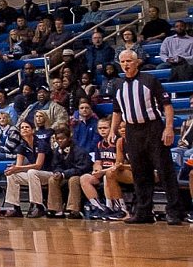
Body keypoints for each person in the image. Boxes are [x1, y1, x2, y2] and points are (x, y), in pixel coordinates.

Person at [109, 49, 184, 224]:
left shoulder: (150, 80)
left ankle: (174, 211)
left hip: (153, 128)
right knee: (140, 173)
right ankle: (144, 212)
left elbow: (167, 105)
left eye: (129, 61)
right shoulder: (118, 85)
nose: (126, 64)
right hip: (132, 131)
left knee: (165, 171)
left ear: (137, 62)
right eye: (123, 62)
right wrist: (113, 130)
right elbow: (116, 111)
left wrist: (169, 128)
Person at [0, 121, 52, 218]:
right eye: (22, 127)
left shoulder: (41, 144)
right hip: (34, 176)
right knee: (12, 175)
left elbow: (38, 165)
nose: (24, 129)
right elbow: (18, 166)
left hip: (49, 174)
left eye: (27, 127)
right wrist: (12, 169)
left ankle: (38, 206)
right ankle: (16, 208)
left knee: (32, 172)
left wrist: (18, 168)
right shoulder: (22, 146)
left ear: (32, 130)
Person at [79, 118, 126, 220]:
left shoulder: (118, 142)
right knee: (84, 178)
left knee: (107, 176)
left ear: (112, 128)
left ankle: (113, 208)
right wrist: (97, 169)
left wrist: (103, 171)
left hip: (116, 172)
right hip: (103, 172)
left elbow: (120, 163)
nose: (102, 130)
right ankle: (99, 207)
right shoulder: (99, 144)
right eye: (100, 128)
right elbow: (97, 162)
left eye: (105, 128)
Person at [43, 129, 92, 219]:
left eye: (63, 138)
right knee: (52, 179)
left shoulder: (79, 151)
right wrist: (58, 172)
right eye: (58, 139)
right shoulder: (57, 150)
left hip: (80, 175)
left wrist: (64, 173)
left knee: (74, 180)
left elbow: (82, 168)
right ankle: (56, 209)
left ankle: (74, 210)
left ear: (69, 138)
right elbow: (55, 165)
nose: (60, 141)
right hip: (64, 175)